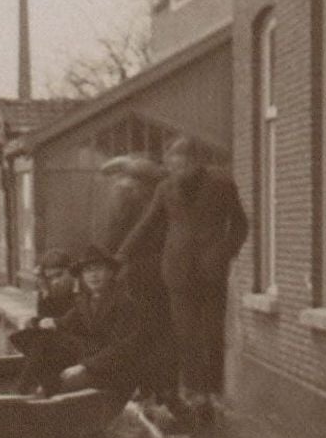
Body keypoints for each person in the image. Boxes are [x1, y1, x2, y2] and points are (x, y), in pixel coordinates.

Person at [117, 136, 249, 423]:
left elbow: (240, 225)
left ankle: (213, 390)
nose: (178, 169)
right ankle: (194, 392)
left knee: (212, 334)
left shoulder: (222, 186)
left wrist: (224, 252)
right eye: (173, 164)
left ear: (198, 163)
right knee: (186, 334)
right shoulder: (165, 189)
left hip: (212, 270)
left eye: (184, 163)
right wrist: (119, 257)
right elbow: (147, 224)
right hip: (177, 270)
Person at [100, 154, 179, 412]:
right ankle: (156, 389)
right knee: (156, 332)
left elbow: (115, 237)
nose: (124, 185)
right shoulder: (154, 199)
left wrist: (116, 264)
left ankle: (155, 390)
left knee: (148, 332)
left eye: (131, 181)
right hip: (150, 275)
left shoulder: (132, 199)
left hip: (145, 276)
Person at [15, 244, 143, 397]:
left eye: (98, 269)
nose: (93, 275)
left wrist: (84, 366)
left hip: (113, 368)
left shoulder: (124, 302)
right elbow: (64, 322)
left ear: (110, 272)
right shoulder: (85, 301)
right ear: (82, 275)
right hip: (90, 356)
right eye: (88, 271)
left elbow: (122, 348)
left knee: (62, 382)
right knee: (41, 339)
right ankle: (22, 392)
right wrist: (40, 322)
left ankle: (40, 396)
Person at [9, 248, 77, 393]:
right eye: (50, 278)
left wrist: (49, 323)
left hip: (81, 342)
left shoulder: (80, 292)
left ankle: (21, 390)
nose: (56, 281)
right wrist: (45, 295)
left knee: (42, 341)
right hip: (60, 341)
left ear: (70, 271)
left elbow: (74, 320)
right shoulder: (51, 291)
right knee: (21, 337)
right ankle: (41, 386)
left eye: (59, 275)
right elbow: (46, 319)